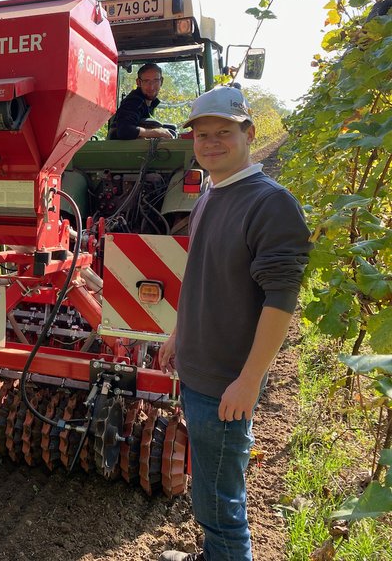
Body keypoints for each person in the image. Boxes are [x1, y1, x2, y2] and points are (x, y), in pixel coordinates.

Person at [157, 87, 310, 561]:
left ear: (249, 133)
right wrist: (179, 333)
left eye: (223, 132)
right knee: (209, 489)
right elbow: (204, 273)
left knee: (223, 508)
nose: (210, 142)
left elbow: (281, 300)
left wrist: (249, 380)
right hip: (199, 373)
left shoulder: (270, 204)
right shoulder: (210, 195)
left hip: (226, 384)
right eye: (202, 134)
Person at [109, 63, 174, 140]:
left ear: (161, 81)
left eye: (156, 81)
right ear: (138, 82)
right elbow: (124, 130)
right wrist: (157, 133)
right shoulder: (134, 101)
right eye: (146, 81)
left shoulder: (149, 103)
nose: (151, 87)